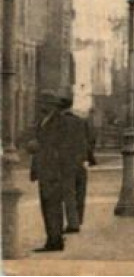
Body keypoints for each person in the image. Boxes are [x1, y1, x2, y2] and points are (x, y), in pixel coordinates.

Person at [27, 94, 75, 252]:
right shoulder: (43, 121)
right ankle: (52, 239)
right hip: (44, 169)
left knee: (52, 205)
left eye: (42, 103)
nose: (40, 106)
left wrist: (39, 145)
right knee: (47, 205)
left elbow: (62, 146)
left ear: (51, 105)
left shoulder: (60, 122)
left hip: (54, 170)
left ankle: (55, 241)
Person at [56, 96, 94, 234]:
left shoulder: (58, 122)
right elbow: (90, 139)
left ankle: (73, 223)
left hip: (66, 161)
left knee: (69, 192)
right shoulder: (80, 121)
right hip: (81, 161)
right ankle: (79, 219)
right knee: (80, 191)